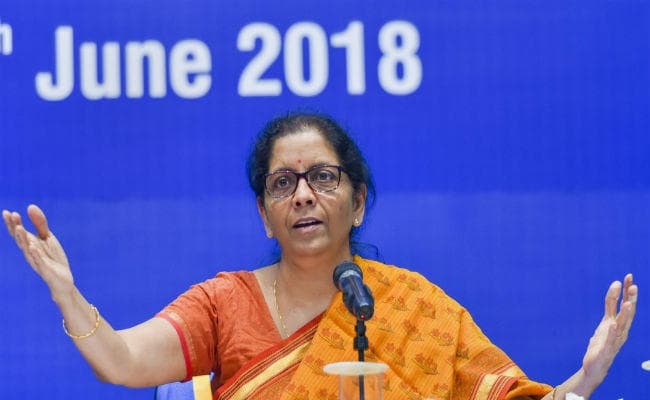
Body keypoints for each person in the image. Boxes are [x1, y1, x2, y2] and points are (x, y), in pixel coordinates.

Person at [3, 112, 638, 400]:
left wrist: (584, 380)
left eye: (324, 178)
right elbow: (120, 363)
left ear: (357, 203)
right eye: (283, 183)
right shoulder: (224, 304)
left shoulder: (415, 306)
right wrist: (67, 293)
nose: (304, 195)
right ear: (265, 214)